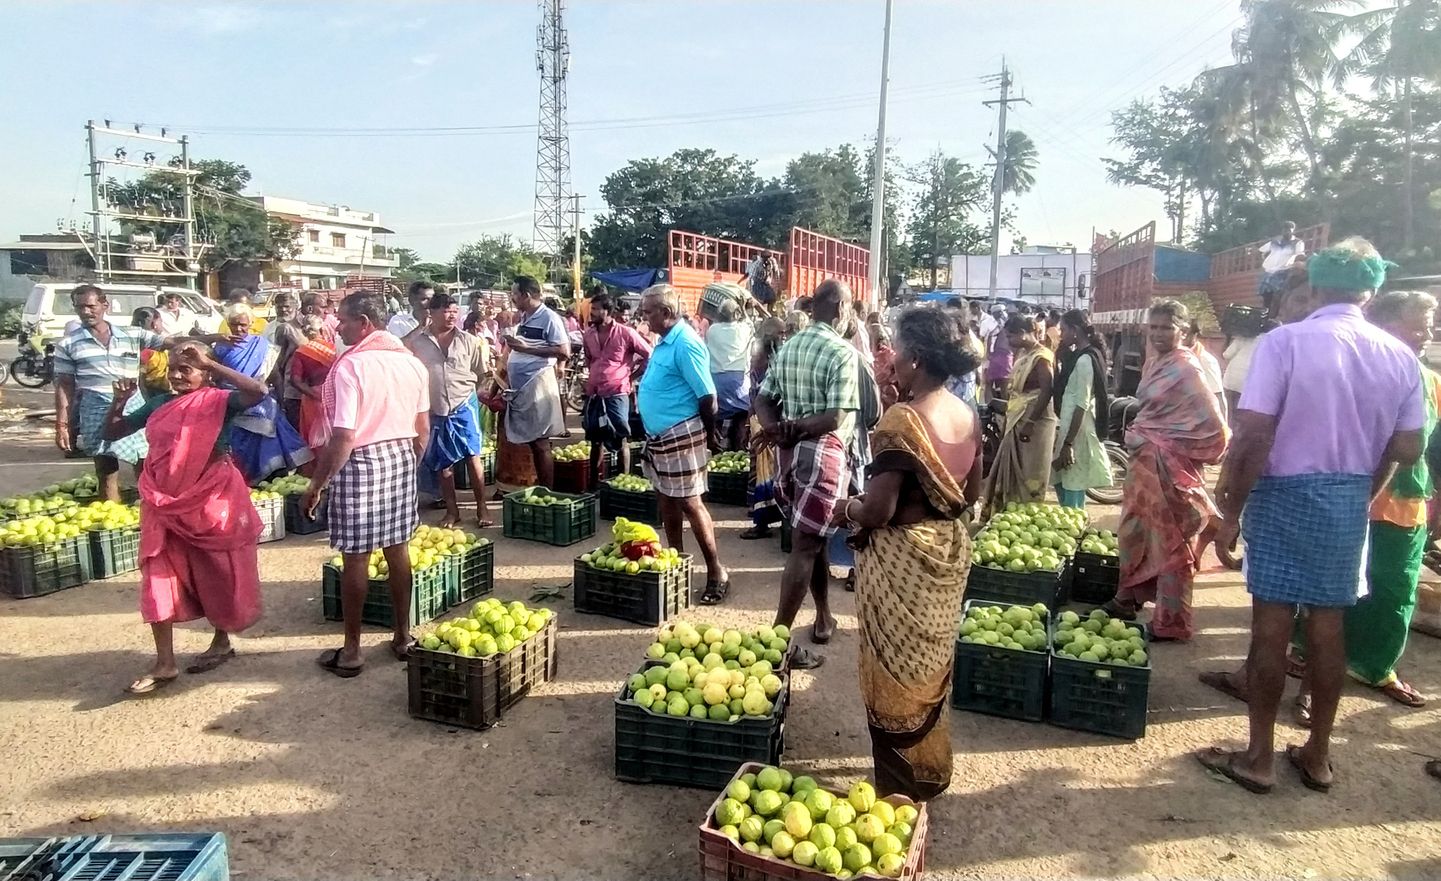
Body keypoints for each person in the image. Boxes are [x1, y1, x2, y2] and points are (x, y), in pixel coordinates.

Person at [1199, 238, 1422, 794]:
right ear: (1371, 291)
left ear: (1316, 285)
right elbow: (1409, 446)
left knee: (1271, 624)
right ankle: (1318, 755)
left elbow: (1253, 433)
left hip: (1282, 491)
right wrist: (1364, 490)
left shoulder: (1285, 343)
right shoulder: (1399, 355)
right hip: (1348, 497)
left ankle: (1258, 758)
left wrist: (1230, 510)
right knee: (1328, 627)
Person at [830, 307, 982, 801]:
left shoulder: (902, 422)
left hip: (903, 566)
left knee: (895, 679)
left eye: (895, 348)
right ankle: (929, 774)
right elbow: (971, 494)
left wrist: (844, 507)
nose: (889, 356)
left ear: (914, 357)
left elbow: (877, 510)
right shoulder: (966, 413)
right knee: (930, 671)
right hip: (945, 556)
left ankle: (898, 795)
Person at [1285, 290, 1441, 716]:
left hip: (1406, 507)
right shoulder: (1354, 371)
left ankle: (1376, 666)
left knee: (1395, 593)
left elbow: (1434, 449)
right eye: (1418, 325)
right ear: (1386, 326)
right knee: (1331, 602)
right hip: (1348, 501)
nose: (1426, 334)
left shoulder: (1431, 381)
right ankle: (1309, 686)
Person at [101, 342, 268, 694]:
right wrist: (119, 402)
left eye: (187, 369)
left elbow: (258, 391)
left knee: (216, 573)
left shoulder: (219, 400)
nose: (177, 375)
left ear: (206, 373)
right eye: (174, 368)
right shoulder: (160, 404)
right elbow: (113, 433)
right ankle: (165, 662)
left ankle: (221, 640)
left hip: (209, 499)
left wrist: (212, 364)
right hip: (162, 501)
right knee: (158, 575)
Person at [303, 292, 431, 676]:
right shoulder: (413, 365)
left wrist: (317, 484)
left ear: (364, 322)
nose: (337, 327)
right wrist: (410, 462)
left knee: (355, 557)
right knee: (398, 550)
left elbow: (343, 436)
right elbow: (422, 429)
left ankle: (353, 650)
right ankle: (403, 636)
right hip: (401, 457)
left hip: (359, 460)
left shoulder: (351, 366)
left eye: (342, 320)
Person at [1105, 301, 1228, 640]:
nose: (1158, 333)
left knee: (1171, 544)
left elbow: (1216, 427)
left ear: (1183, 331)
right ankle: (1126, 598)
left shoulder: (1187, 368)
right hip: (1144, 469)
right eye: (1154, 327)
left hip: (1170, 470)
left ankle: (1172, 622)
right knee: (1134, 534)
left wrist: (1174, 444)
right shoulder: (1156, 362)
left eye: (1166, 327)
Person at [755, 279, 862, 668]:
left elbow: (763, 398)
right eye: (849, 306)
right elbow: (835, 417)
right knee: (805, 545)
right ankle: (776, 642)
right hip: (822, 453)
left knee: (810, 536)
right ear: (839, 308)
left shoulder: (790, 346)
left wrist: (777, 429)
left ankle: (823, 615)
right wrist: (790, 428)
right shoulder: (842, 352)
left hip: (792, 454)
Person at [54, 285, 199, 503]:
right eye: (79, 307)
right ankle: (110, 509)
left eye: (91, 306)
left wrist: (217, 338)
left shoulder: (132, 334)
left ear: (105, 305)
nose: (86, 312)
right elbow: (65, 385)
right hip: (95, 407)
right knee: (105, 467)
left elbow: (171, 343)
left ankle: (151, 507)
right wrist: (62, 424)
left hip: (132, 405)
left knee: (144, 461)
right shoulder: (68, 344)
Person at [635, 284, 731, 603]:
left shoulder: (686, 343)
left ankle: (717, 571)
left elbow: (708, 397)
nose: (643, 316)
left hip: (683, 434)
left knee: (691, 502)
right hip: (661, 437)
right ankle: (676, 562)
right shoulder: (665, 341)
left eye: (648, 312)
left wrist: (710, 434)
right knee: (666, 501)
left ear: (666, 312)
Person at [407, 293, 494, 529]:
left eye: (455, 311)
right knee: (442, 463)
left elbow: (480, 373)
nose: (451, 316)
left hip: (464, 404)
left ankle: (482, 508)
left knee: (472, 456)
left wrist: (470, 394)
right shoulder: (418, 341)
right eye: (446, 311)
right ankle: (452, 511)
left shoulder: (468, 340)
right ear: (431, 313)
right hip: (435, 407)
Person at [214, 304, 312, 483]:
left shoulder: (262, 346)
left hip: (261, 400)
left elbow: (274, 375)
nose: (239, 329)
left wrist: (281, 401)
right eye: (234, 324)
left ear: (251, 323)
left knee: (270, 434)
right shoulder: (220, 348)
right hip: (231, 401)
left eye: (243, 324)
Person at [981, 316, 1057, 516]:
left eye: (1011, 336)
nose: (1009, 341)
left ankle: (1026, 515)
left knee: (1030, 470)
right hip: (1017, 414)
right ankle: (1006, 511)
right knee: (1011, 467)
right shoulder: (1024, 353)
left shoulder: (1042, 357)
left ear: (1023, 333)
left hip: (1036, 420)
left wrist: (1031, 422)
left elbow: (1047, 391)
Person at [502, 276, 570, 489]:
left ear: (526, 295)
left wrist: (525, 349)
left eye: (514, 294)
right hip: (523, 389)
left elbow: (563, 351)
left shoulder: (549, 318)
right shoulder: (524, 317)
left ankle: (547, 490)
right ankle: (540, 486)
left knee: (540, 443)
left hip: (538, 384)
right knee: (532, 441)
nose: (512, 298)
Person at [581, 291, 651, 480]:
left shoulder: (626, 333)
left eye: (596, 309)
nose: (592, 313)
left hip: (617, 393)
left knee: (621, 438)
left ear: (608, 311)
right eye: (591, 309)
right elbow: (589, 359)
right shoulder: (588, 334)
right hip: (595, 393)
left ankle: (623, 480)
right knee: (595, 440)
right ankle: (595, 484)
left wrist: (632, 375)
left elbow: (649, 355)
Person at [1051, 310, 1112, 509]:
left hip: (1077, 432)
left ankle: (1074, 530)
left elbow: (1081, 405)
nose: (1061, 335)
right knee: (1062, 480)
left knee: (1072, 484)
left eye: (1063, 330)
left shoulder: (1086, 360)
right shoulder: (1080, 356)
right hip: (1070, 427)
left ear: (1075, 331)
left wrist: (1069, 443)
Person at [741, 317, 789, 541]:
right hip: (765, 421)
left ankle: (761, 522)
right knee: (766, 473)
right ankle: (763, 519)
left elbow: (760, 396)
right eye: (780, 333)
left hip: (763, 422)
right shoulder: (771, 359)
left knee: (763, 474)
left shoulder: (769, 361)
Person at [700, 282, 756, 451]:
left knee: (716, 417)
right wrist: (746, 306)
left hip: (716, 379)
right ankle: (737, 448)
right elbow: (750, 319)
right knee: (740, 416)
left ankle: (715, 449)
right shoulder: (744, 329)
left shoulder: (712, 330)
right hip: (738, 379)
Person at [289, 316, 336, 472]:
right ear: (322, 330)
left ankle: (316, 474)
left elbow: (295, 381)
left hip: (312, 400)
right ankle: (333, 471)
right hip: (334, 397)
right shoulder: (333, 349)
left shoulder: (301, 352)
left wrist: (315, 395)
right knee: (333, 435)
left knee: (314, 439)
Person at [1257, 221, 1306, 313]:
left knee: (1278, 297)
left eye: (1289, 230)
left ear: (1293, 231)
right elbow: (1260, 251)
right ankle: (1263, 320)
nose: (1287, 232)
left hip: (1283, 271)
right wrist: (1264, 261)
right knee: (1266, 298)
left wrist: (1295, 265)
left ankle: (1274, 318)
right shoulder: (1274, 241)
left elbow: (1300, 256)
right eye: (1285, 230)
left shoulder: (1297, 243)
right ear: (1282, 230)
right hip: (1269, 272)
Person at [1186, 319, 1226, 419]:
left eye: (1186, 333)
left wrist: (1223, 428)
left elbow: (1218, 397)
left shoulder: (1205, 361)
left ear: (1194, 335)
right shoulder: (1172, 358)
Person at [984, 305, 1013, 400]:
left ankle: (1003, 409)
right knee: (989, 383)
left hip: (1004, 356)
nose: (1001, 314)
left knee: (1003, 384)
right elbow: (986, 338)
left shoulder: (1007, 325)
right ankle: (989, 407)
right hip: (995, 356)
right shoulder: (989, 323)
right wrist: (987, 353)